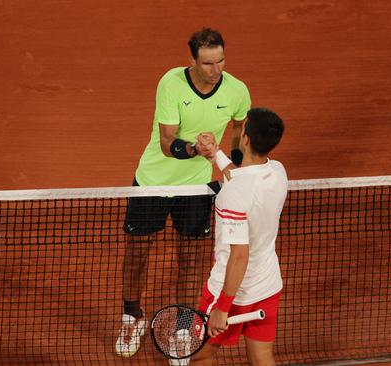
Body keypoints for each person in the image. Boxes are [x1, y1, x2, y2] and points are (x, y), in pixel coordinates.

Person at [115, 27, 251, 363]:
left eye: (220, 61)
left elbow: (240, 129)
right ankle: (133, 316)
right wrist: (198, 148)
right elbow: (167, 143)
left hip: (197, 188)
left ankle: (184, 326)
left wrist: (231, 163)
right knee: (137, 253)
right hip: (154, 182)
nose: (216, 70)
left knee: (190, 258)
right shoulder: (171, 83)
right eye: (207, 64)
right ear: (192, 61)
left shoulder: (236, 91)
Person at [190, 108, 287, 366]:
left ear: (245, 139)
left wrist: (222, 307)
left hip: (231, 291)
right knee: (262, 358)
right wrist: (215, 155)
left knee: (200, 356)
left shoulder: (232, 196)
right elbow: (242, 179)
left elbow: (239, 256)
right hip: (267, 286)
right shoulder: (277, 172)